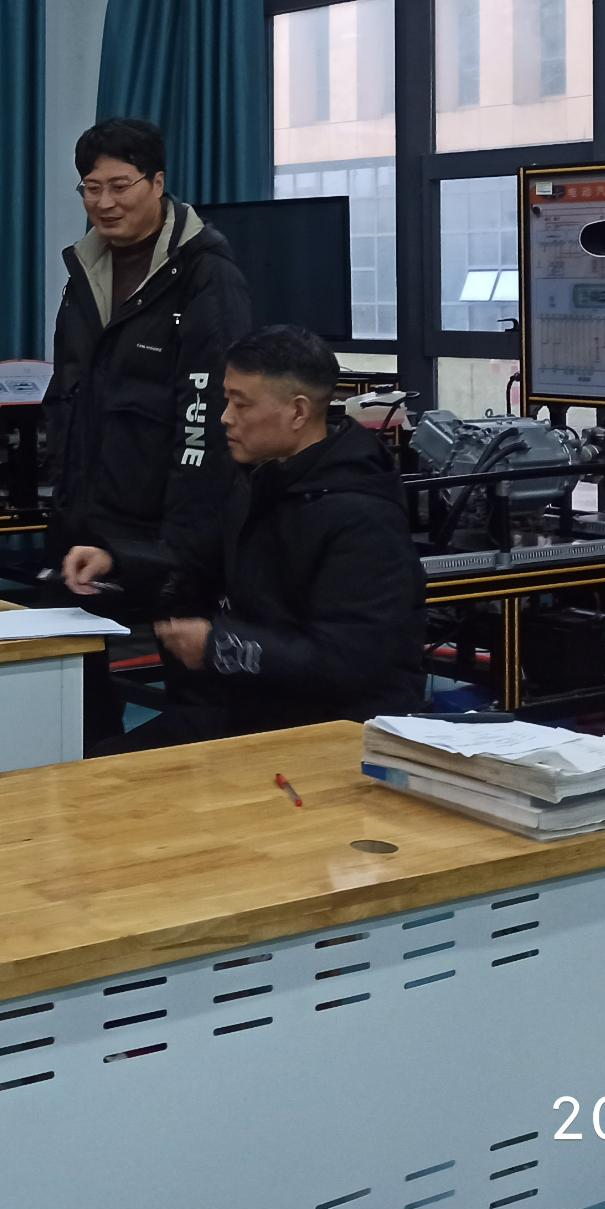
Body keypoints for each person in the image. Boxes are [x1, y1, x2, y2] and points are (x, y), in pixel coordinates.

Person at [63, 324, 425, 744]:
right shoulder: (262, 479)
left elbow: (347, 660)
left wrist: (220, 646)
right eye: (226, 400)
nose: (225, 417)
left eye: (241, 404)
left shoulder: (363, 518)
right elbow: (199, 558)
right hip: (249, 705)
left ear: (297, 412)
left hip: (328, 731)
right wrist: (116, 561)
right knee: (96, 765)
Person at [44, 117, 253, 740]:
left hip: (170, 531)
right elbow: (70, 394)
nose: (104, 203)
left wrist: (183, 546)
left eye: (120, 186)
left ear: (157, 183)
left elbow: (208, 417)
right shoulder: (86, 272)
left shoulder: (206, 275)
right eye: (91, 188)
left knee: (194, 705)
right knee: (75, 696)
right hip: (89, 518)